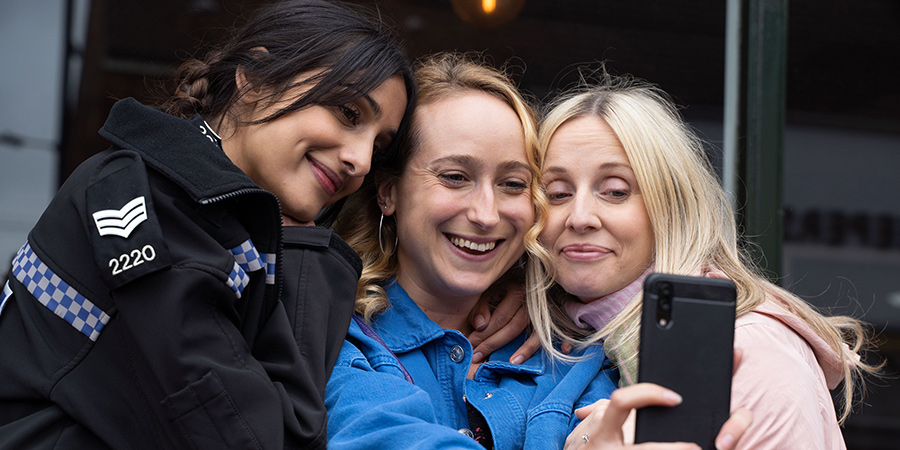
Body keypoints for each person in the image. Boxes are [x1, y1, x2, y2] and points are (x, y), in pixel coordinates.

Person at [0, 1, 414, 448]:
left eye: (379, 146)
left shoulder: (223, 222)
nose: (361, 161)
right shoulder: (141, 198)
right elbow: (271, 438)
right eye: (348, 113)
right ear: (254, 79)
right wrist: (306, 248)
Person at [529, 74, 880, 449]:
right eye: (558, 193)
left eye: (616, 191)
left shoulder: (746, 347)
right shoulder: (562, 335)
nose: (580, 216)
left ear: (673, 206)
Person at [325, 52, 624, 449]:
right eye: (454, 177)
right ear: (388, 192)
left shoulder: (570, 351)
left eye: (514, 184)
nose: (486, 213)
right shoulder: (335, 337)